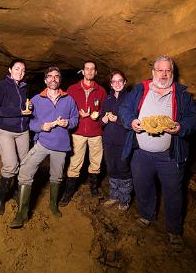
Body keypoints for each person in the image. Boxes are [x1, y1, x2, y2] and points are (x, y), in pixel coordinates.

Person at [119, 55, 196, 251]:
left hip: (170, 155)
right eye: (160, 70)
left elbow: (195, 118)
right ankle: (146, 215)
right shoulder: (141, 90)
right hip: (141, 153)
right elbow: (124, 109)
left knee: (173, 192)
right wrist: (131, 121)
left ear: (172, 73)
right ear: (153, 72)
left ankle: (174, 230)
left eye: (168, 71)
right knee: (143, 186)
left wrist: (181, 127)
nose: (164, 74)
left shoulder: (181, 95)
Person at [10, 66, 79, 228]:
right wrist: (41, 126)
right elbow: (29, 122)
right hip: (42, 142)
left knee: (56, 176)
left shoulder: (68, 99)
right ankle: (22, 213)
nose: (53, 79)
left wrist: (68, 123)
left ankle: (53, 205)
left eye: (56, 76)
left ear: (60, 80)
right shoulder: (36, 100)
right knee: (25, 171)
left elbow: (75, 118)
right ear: (45, 80)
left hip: (61, 145)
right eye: (50, 76)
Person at [59, 61, 107, 206]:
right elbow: (65, 109)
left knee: (96, 163)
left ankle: (94, 188)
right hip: (78, 132)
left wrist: (98, 115)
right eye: (87, 69)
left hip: (96, 133)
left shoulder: (101, 90)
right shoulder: (72, 89)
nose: (90, 71)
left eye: (93, 69)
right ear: (83, 71)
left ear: (96, 72)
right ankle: (68, 193)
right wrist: (77, 115)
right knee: (74, 164)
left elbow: (105, 110)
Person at [0, 59, 31, 216]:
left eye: (23, 70)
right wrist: (18, 112)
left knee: (25, 164)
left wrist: (28, 110)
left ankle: (14, 191)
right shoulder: (0, 86)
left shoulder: (24, 88)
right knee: (11, 165)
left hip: (22, 131)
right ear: (10, 69)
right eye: (17, 69)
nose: (20, 72)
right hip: (4, 130)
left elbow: (23, 109)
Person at [100, 71, 132, 212]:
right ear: (111, 84)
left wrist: (117, 120)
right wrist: (103, 120)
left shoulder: (130, 98)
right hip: (108, 141)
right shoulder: (108, 99)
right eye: (114, 81)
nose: (117, 83)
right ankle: (114, 196)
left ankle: (124, 199)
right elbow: (101, 118)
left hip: (123, 140)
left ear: (125, 82)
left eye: (120, 80)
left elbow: (134, 120)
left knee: (124, 169)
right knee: (111, 168)